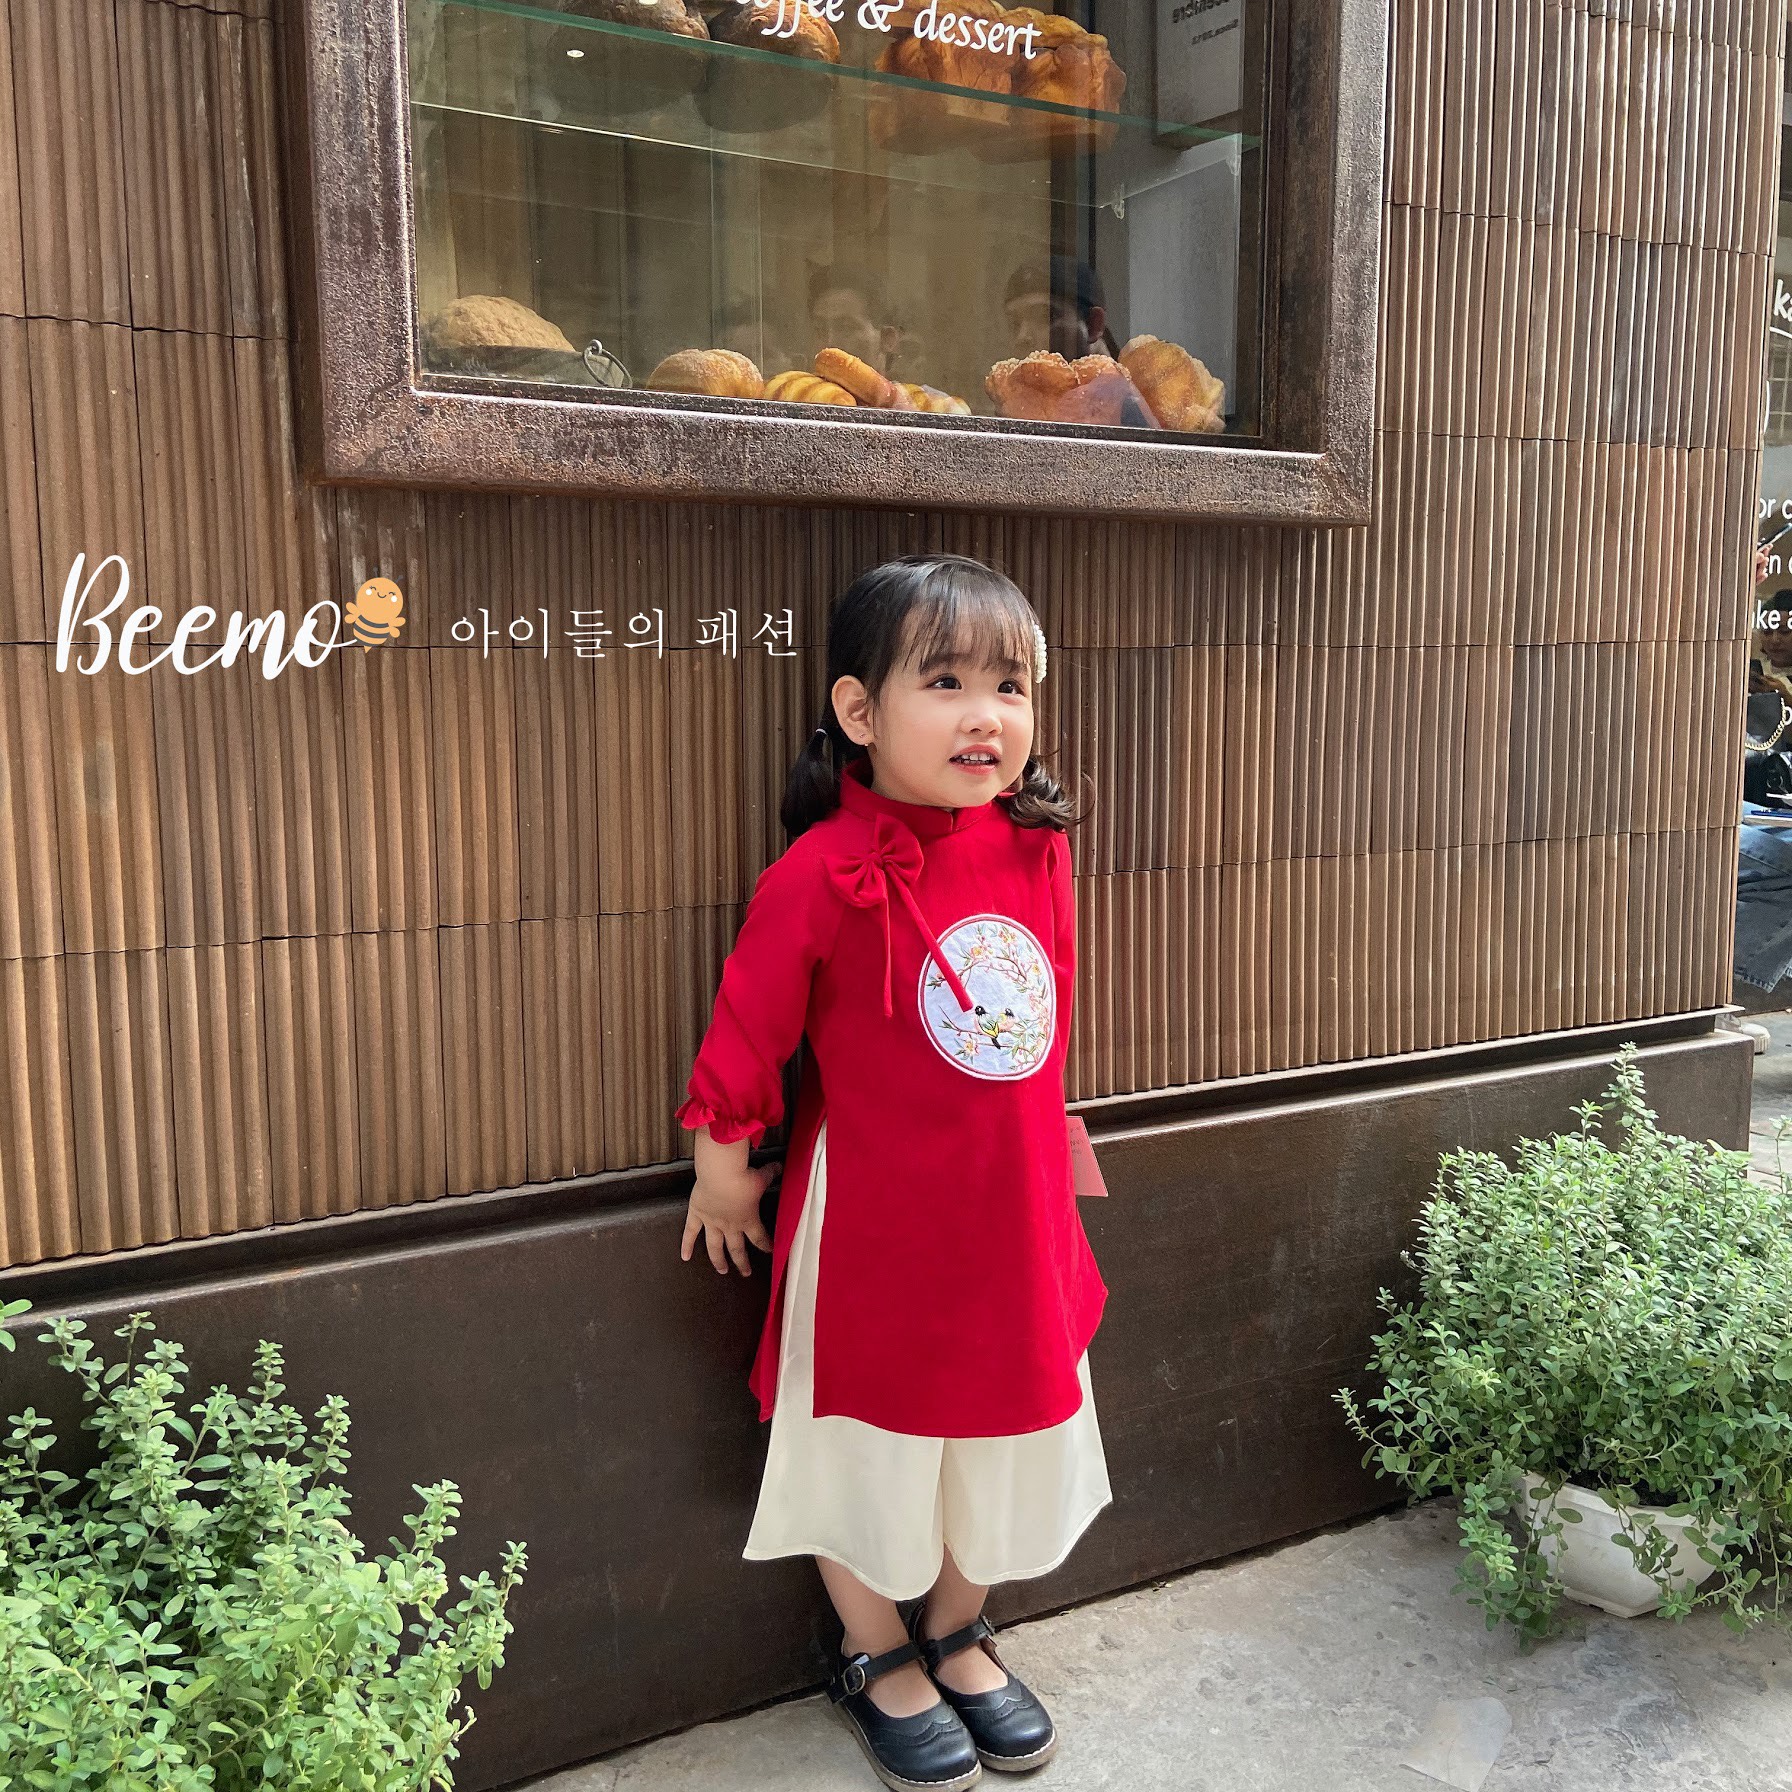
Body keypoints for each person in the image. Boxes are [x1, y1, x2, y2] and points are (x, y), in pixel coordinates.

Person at [676, 555, 1111, 1791]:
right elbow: (747, 1027)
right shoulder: (819, 872)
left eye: (1010, 686)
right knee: (866, 1440)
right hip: (874, 1218)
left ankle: (960, 1627)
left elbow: (1043, 1014)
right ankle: (873, 1648)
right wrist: (722, 1169)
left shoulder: (1035, 850)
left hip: (1012, 1209)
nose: (986, 714)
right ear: (859, 711)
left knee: (1010, 1421)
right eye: (947, 682)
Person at [1003, 255, 1120, 360]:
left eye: (1045, 317)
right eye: (1014, 324)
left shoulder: (1122, 376)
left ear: (1093, 324)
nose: (1022, 337)